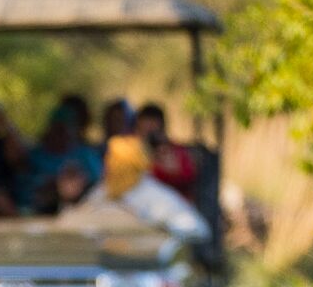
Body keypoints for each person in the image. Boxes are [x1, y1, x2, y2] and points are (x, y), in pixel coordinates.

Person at [66, 135, 210, 242]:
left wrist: (155, 229)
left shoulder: (155, 194)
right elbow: (75, 220)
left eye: (116, 160)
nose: (110, 165)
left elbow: (196, 229)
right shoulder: (102, 191)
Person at [20, 106, 102, 214]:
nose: (62, 134)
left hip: (86, 211)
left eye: (66, 128)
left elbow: (99, 184)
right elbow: (28, 189)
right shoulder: (36, 156)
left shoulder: (87, 155)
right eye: (58, 129)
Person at [135, 102, 198, 202]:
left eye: (153, 123)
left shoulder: (176, 151)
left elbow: (187, 176)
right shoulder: (128, 152)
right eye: (146, 123)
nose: (150, 127)